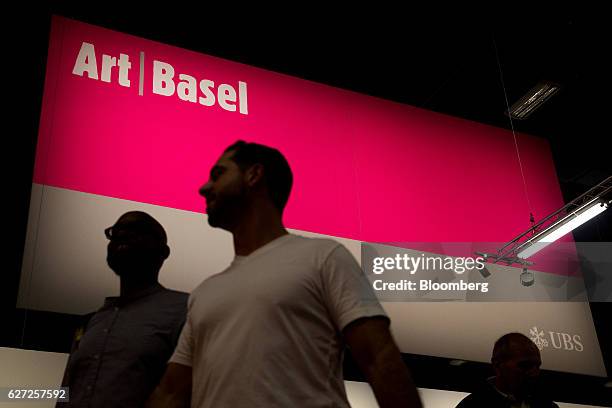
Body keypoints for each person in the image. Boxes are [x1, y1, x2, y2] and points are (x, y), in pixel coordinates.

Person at [148, 141, 422, 407]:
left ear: (254, 175)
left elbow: (379, 358)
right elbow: (171, 392)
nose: (204, 188)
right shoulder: (203, 293)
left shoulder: (326, 256)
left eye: (218, 174)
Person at [57, 211, 188, 407]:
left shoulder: (185, 310)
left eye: (136, 231)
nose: (122, 236)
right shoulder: (92, 321)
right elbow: (67, 391)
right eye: (116, 233)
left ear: (163, 252)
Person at [456, 332, 559, 408]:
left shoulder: (547, 405)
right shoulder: (472, 405)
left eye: (537, 366)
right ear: (497, 365)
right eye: (525, 365)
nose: (534, 373)